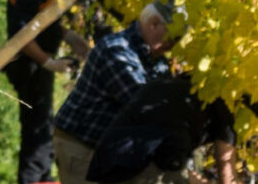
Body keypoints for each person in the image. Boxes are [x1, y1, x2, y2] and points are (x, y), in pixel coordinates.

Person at [53, 0, 179, 184]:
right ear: (153, 24)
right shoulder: (117, 49)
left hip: (106, 150)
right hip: (81, 145)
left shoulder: (158, 62)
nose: (174, 44)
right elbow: (144, 106)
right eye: (173, 36)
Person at [5, 0, 93, 184]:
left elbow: (40, 21)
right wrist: (48, 62)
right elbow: (21, 35)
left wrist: (67, 36)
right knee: (38, 132)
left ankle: (42, 177)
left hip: (36, 66)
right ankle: (34, 179)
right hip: (28, 66)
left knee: (43, 126)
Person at [86, 78, 237, 184]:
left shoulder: (175, 84)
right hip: (149, 163)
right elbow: (227, 172)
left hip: (112, 159)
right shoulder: (225, 105)